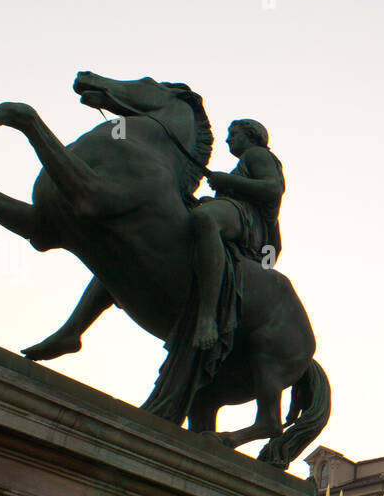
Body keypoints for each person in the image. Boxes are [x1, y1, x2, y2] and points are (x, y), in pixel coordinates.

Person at [22, 119, 284, 360]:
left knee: (205, 220)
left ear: (251, 135)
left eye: (234, 134)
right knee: (130, 248)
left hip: (249, 220)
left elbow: (274, 187)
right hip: (232, 210)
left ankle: (207, 316)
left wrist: (227, 181)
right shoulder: (246, 161)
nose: (228, 140)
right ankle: (72, 330)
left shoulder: (257, 154)